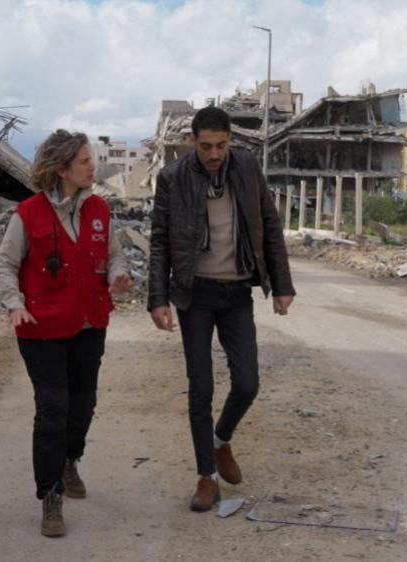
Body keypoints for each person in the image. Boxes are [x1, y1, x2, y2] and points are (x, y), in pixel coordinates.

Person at [147, 106, 296, 512]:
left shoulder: (246, 168)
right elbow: (159, 240)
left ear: (232, 142)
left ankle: (219, 440)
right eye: (206, 146)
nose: (214, 154)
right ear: (193, 143)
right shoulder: (173, 178)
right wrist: (157, 298)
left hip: (236, 294)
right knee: (201, 388)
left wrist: (282, 286)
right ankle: (205, 478)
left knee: (247, 383)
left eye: (221, 145)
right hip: (195, 295)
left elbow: (268, 224)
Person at [0, 130, 132, 537]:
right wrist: (14, 303)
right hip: (41, 327)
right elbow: (5, 263)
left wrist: (119, 275)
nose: (94, 167)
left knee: (82, 404)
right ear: (62, 169)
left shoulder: (99, 210)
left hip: (89, 323)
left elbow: (113, 254)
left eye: (92, 160)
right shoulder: (29, 214)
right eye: (85, 162)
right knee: (53, 408)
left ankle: (71, 459)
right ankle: (50, 495)